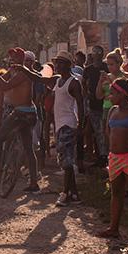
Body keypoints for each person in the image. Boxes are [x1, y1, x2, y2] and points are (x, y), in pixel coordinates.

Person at [97, 78, 128, 244]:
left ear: (123, 94)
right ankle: (114, 227)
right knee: (116, 192)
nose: (109, 96)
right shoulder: (113, 110)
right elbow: (108, 130)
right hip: (115, 157)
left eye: (113, 93)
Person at [0, 49, 44, 191]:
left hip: (22, 113)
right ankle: (33, 183)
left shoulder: (23, 72)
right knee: (28, 148)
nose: (11, 59)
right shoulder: (13, 71)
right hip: (27, 113)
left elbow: (5, 85)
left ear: (21, 59)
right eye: (10, 57)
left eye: (14, 57)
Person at [52, 56, 83, 206]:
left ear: (68, 65)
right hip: (59, 125)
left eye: (60, 63)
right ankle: (75, 194)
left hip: (68, 125)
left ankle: (65, 193)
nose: (56, 65)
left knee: (67, 161)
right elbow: (38, 78)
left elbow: (81, 105)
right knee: (65, 159)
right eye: (56, 62)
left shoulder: (74, 83)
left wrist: (80, 126)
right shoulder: (57, 81)